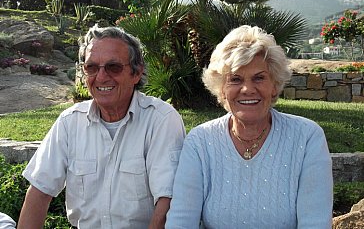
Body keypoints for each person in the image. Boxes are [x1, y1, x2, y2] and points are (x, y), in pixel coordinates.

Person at [18, 25, 185, 228]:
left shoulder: (161, 120)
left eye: (113, 67)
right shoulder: (70, 122)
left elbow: (166, 203)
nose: (102, 76)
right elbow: (39, 193)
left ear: (136, 73)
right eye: (92, 67)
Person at [166, 25, 333, 228]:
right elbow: (181, 221)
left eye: (259, 78)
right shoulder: (200, 141)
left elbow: (315, 222)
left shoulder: (306, 137)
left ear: (274, 85)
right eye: (235, 79)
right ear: (221, 90)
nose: (247, 89)